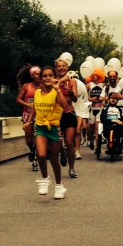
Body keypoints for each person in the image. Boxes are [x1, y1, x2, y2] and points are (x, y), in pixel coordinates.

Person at [24, 66, 69, 199]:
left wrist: (57, 88)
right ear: (41, 78)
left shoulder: (56, 92)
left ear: (54, 77)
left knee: (55, 160)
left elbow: (64, 106)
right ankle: (45, 179)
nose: (48, 78)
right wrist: (29, 121)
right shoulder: (37, 92)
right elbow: (35, 108)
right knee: (41, 155)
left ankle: (59, 186)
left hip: (54, 128)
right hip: (41, 127)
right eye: (45, 76)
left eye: (50, 75)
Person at [55, 59, 79, 178]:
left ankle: (71, 168)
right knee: (57, 141)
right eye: (59, 66)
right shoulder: (53, 81)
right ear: (56, 69)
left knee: (70, 142)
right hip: (56, 115)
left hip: (69, 113)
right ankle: (62, 152)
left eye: (63, 66)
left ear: (67, 68)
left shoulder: (72, 81)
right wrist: (60, 82)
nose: (61, 68)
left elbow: (75, 99)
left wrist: (71, 92)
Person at [16, 65, 42, 171]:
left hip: (40, 115)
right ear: (32, 76)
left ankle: (36, 159)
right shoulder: (26, 86)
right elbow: (18, 100)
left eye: (39, 73)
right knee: (29, 139)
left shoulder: (43, 86)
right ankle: (31, 150)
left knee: (37, 137)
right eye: (36, 74)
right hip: (27, 114)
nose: (38, 76)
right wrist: (28, 105)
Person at [86, 69, 106, 156]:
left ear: (99, 76)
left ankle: (98, 148)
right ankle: (90, 140)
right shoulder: (89, 85)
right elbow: (85, 96)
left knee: (98, 128)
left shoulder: (103, 85)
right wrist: (91, 99)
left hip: (100, 108)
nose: (94, 76)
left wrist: (103, 100)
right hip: (92, 108)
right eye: (92, 75)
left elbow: (106, 96)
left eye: (95, 75)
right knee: (91, 128)